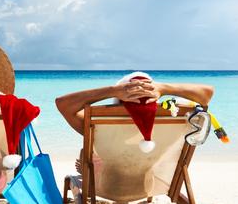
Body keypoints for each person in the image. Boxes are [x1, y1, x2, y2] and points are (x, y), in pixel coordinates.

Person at [55, 74, 215, 176]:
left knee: (86, 150)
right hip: (148, 185)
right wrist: (163, 88)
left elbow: (63, 104)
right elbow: (207, 93)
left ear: (119, 99)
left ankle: (86, 165)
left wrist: (112, 90)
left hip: (106, 186)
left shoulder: (100, 127)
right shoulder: (171, 122)